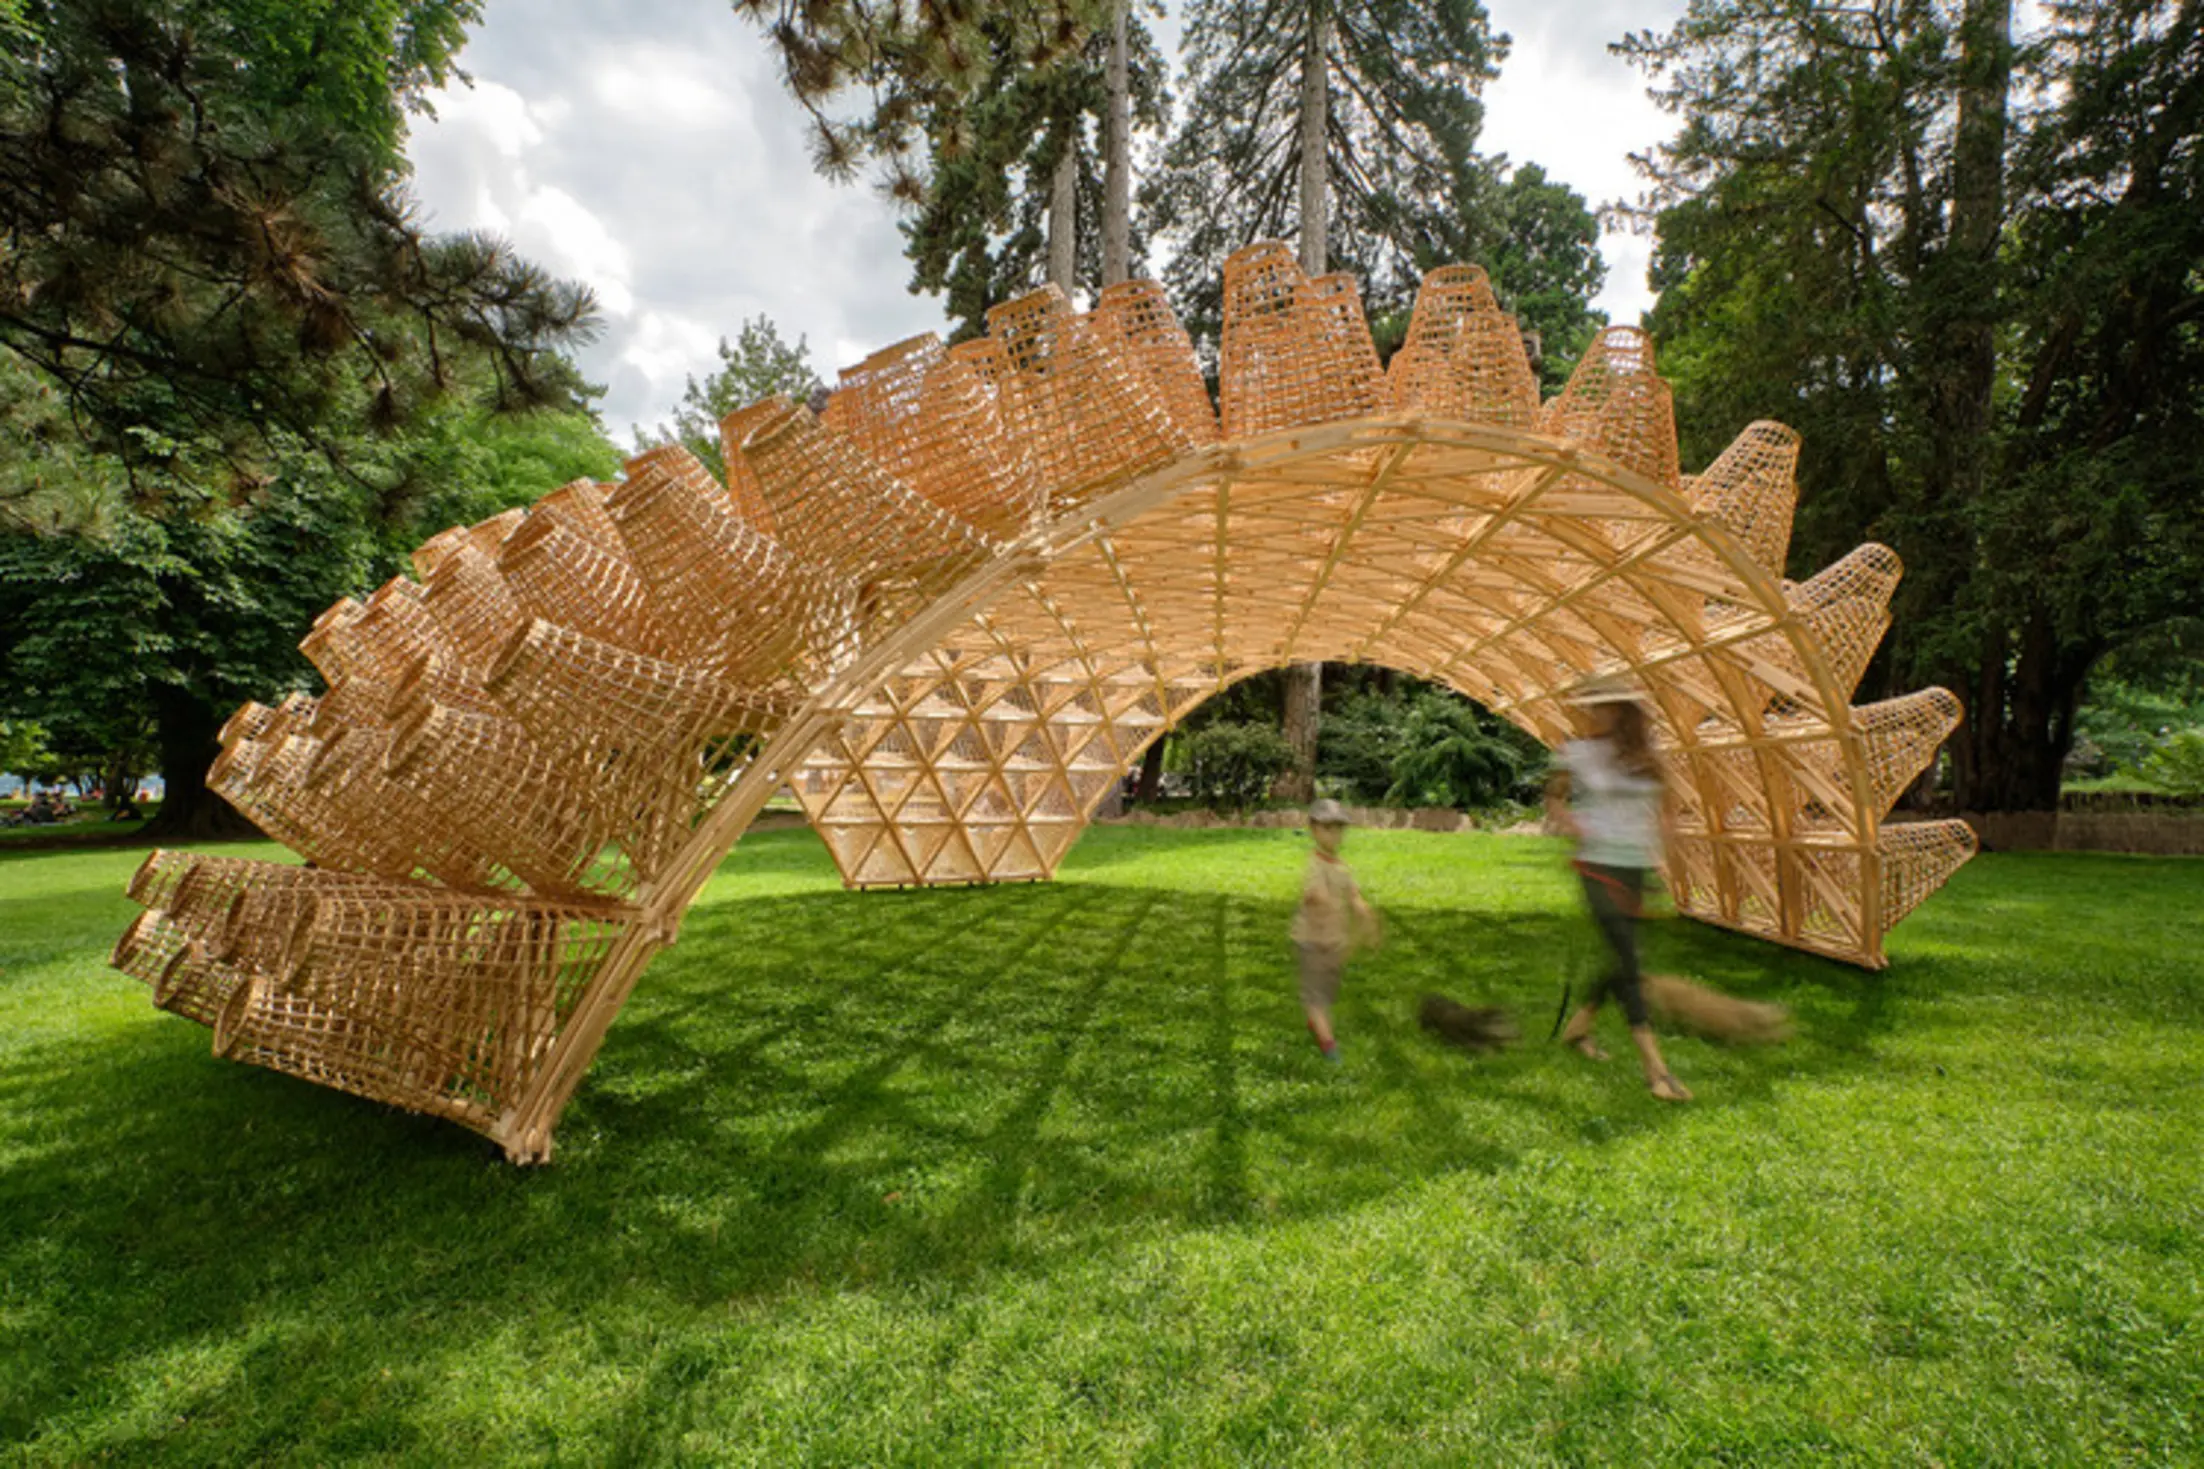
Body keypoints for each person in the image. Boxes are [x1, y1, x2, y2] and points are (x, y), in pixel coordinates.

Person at [1546, 679, 1692, 1102]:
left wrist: (1665, 847)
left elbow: (1667, 808)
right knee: (1629, 961)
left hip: (1635, 867)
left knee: (1621, 955)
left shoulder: (1648, 759)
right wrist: (1569, 823)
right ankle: (1657, 1072)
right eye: (1594, 708)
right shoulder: (1574, 753)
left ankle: (1578, 1029)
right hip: (1596, 865)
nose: (1597, 715)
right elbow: (1554, 799)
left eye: (1605, 707)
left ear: (1624, 711)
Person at [1291, 798, 1380, 1063]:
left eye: (1339, 829)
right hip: (1310, 940)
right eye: (1328, 828)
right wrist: (1320, 898)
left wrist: (1367, 918)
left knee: (1326, 994)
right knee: (1316, 997)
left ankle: (1315, 1020)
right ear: (1314, 830)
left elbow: (1354, 897)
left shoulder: (1342, 867)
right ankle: (1329, 1046)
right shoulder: (1315, 864)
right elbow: (1313, 893)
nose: (1334, 835)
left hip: (1334, 942)